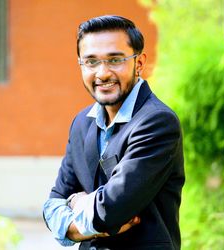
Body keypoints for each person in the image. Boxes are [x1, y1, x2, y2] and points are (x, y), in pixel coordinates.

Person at [43, 15, 185, 250]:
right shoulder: (81, 123)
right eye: (91, 62)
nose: (103, 73)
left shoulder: (157, 122)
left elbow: (111, 210)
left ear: (139, 63)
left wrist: (79, 204)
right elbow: (53, 202)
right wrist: (80, 230)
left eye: (115, 60)